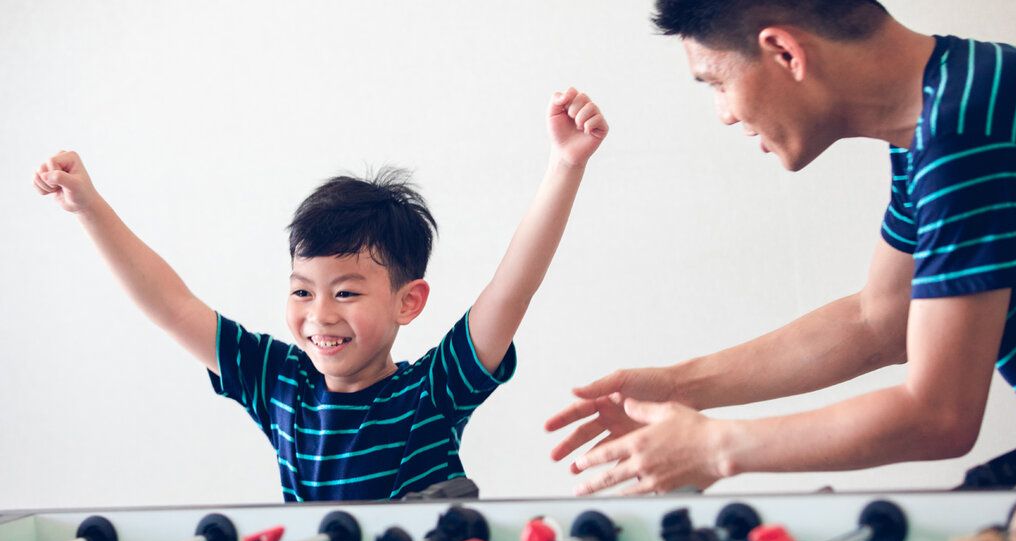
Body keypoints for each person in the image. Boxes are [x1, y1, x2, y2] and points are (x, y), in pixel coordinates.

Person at [34, 87, 608, 502]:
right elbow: (171, 304)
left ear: (408, 301)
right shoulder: (279, 383)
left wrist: (564, 164)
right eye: (302, 291)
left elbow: (512, 287)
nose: (319, 315)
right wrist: (90, 208)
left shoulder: (431, 393)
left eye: (347, 292)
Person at [546, 0, 1016, 496]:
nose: (725, 114)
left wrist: (715, 448)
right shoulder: (958, 98)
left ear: (785, 52)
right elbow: (880, 321)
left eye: (717, 82)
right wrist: (680, 389)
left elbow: (938, 415)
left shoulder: (966, 134)